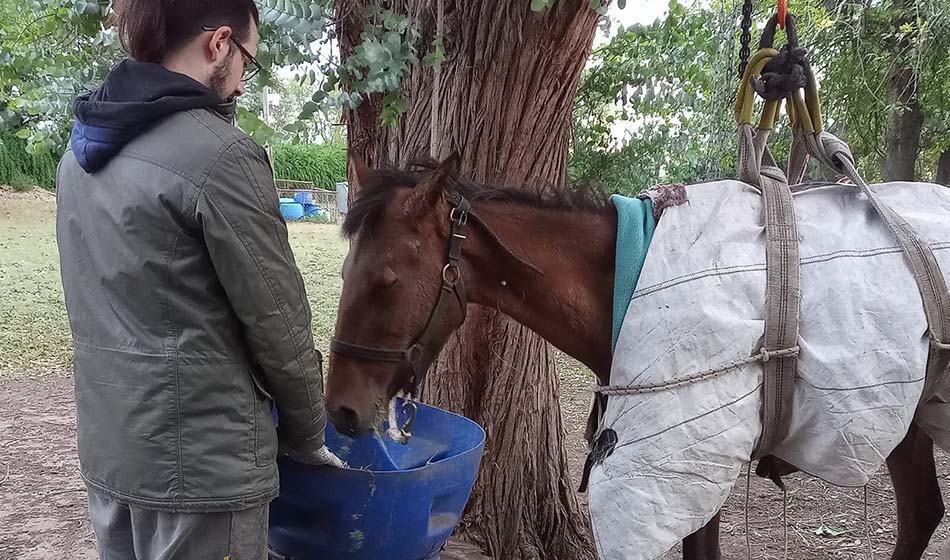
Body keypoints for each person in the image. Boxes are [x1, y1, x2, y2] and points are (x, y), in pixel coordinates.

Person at [56, 1, 341, 557]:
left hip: (113, 452)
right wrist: (308, 435)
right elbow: (278, 321)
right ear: (219, 44)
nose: (240, 82)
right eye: (246, 62)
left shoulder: (78, 154)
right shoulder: (221, 156)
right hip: (204, 469)